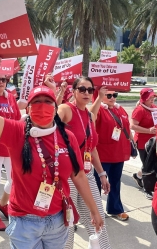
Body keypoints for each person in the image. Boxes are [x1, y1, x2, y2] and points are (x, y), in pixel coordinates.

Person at [0, 53, 103, 249]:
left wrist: (94, 210)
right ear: (27, 108)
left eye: (48, 102)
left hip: (57, 221)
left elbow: (78, 176)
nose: (42, 106)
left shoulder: (67, 137)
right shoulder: (17, 131)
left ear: (55, 108)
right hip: (24, 223)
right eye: (36, 102)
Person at [56, 76, 111, 249]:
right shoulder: (65, 109)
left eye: (90, 90)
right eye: (82, 89)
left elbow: (92, 148)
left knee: (97, 218)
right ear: (73, 91)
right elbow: (50, 131)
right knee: (68, 221)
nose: (86, 93)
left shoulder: (90, 116)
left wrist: (102, 173)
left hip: (86, 173)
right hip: (68, 174)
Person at [90, 87, 132, 221]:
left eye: (115, 95)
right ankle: (94, 211)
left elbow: (126, 127)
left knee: (115, 181)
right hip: (103, 154)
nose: (113, 98)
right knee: (97, 183)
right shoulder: (99, 109)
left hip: (119, 153)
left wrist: (131, 142)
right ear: (100, 96)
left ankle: (115, 208)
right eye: (108, 96)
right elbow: (91, 117)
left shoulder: (119, 109)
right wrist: (97, 100)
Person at [0, 74, 21, 231]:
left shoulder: (10, 97)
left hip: (11, 146)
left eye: (3, 80)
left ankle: (3, 203)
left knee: (16, 179)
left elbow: (18, 118)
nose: (1, 82)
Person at [130, 88, 157, 199]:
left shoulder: (154, 108)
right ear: (144, 98)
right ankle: (147, 189)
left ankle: (138, 176)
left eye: (153, 97)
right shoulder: (139, 110)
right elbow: (132, 126)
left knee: (151, 164)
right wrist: (148, 130)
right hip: (143, 142)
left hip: (154, 141)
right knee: (148, 166)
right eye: (150, 97)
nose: (152, 99)